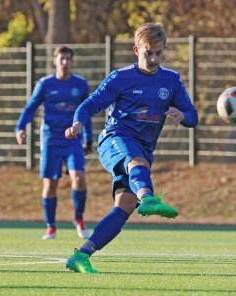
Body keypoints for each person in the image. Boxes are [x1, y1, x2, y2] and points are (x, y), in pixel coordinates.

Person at [63, 23, 198, 273]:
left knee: (124, 205)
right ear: (137, 50)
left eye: (159, 53)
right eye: (149, 53)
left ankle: (81, 256)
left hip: (144, 148)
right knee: (137, 163)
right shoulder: (121, 78)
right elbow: (88, 105)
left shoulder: (171, 80)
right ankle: (148, 197)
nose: (154, 58)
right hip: (115, 139)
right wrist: (77, 124)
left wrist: (182, 115)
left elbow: (193, 116)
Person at [15, 45, 92, 240]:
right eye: (61, 59)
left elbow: (87, 113)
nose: (65, 63)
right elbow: (31, 107)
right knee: (50, 185)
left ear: (72, 62)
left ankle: (79, 219)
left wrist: (89, 137)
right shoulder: (45, 84)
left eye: (68, 59)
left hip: (73, 139)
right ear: (55, 61)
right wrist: (20, 127)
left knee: (79, 178)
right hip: (51, 139)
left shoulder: (81, 85)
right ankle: (51, 227)